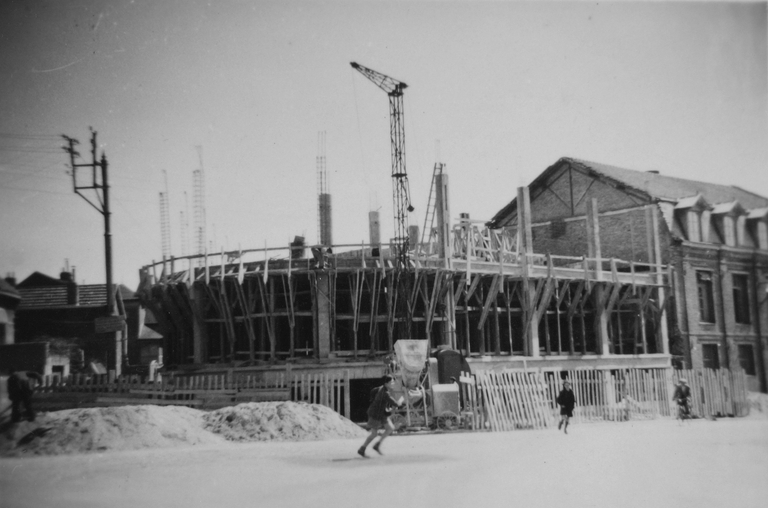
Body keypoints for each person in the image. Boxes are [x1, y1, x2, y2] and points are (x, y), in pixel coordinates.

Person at [358, 375, 403, 457]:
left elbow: (373, 391)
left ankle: (377, 445)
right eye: (391, 382)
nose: (393, 383)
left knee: (390, 428)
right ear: (386, 383)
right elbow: (396, 404)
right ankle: (362, 449)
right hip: (375, 414)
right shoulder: (385, 393)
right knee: (374, 434)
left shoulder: (381, 388)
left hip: (381, 413)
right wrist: (402, 399)